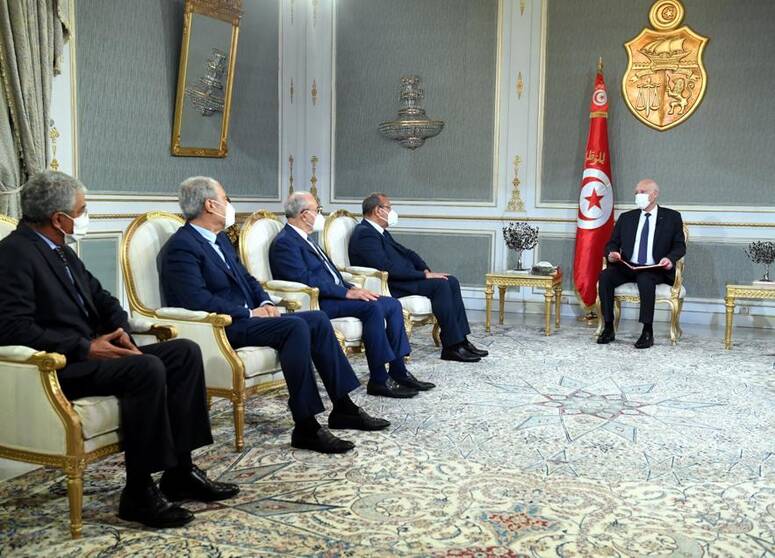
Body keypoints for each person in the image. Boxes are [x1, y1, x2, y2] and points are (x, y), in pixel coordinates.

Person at [0, 171, 238, 529]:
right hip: (59, 365)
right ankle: (139, 493)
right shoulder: (14, 254)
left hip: (95, 352)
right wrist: (85, 347)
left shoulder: (61, 250)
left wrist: (120, 331)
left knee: (184, 353)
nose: (85, 216)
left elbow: (104, 299)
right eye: (81, 210)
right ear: (58, 219)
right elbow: (13, 328)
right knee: (146, 369)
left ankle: (180, 472)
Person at [160, 177, 390, 455]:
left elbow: (249, 279)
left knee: (317, 320)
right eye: (226, 199)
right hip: (222, 327)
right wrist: (249, 312)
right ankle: (305, 426)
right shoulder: (182, 247)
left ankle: (344, 408)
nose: (229, 205)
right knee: (295, 328)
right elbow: (197, 300)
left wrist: (265, 301)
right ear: (210, 205)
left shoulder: (218, 239)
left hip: (249, 319)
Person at [269, 192, 435, 399]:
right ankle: (378, 380)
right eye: (318, 210)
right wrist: (346, 292)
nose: (320, 214)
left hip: (336, 295)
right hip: (318, 302)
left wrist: (352, 287)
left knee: (391, 304)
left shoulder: (306, 239)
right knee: (372, 307)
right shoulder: (285, 243)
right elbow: (305, 280)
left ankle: (399, 371)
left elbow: (331, 274)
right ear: (304, 214)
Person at [348, 192, 489, 363]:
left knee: (451, 280)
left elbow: (407, 253)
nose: (392, 212)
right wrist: (423, 275)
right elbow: (385, 267)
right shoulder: (365, 234)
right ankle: (451, 347)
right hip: (389, 284)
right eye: (389, 208)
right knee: (441, 285)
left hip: (402, 279)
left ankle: (462, 341)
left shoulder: (380, 232)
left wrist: (424, 269)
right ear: (378, 210)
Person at [597, 178, 686, 349]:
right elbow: (612, 243)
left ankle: (647, 331)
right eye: (636, 192)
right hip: (628, 266)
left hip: (655, 268)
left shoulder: (672, 217)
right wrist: (612, 254)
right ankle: (608, 327)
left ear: (654, 194)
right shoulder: (626, 218)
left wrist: (670, 259)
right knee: (605, 276)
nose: (638, 195)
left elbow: (679, 246)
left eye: (643, 192)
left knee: (645, 278)